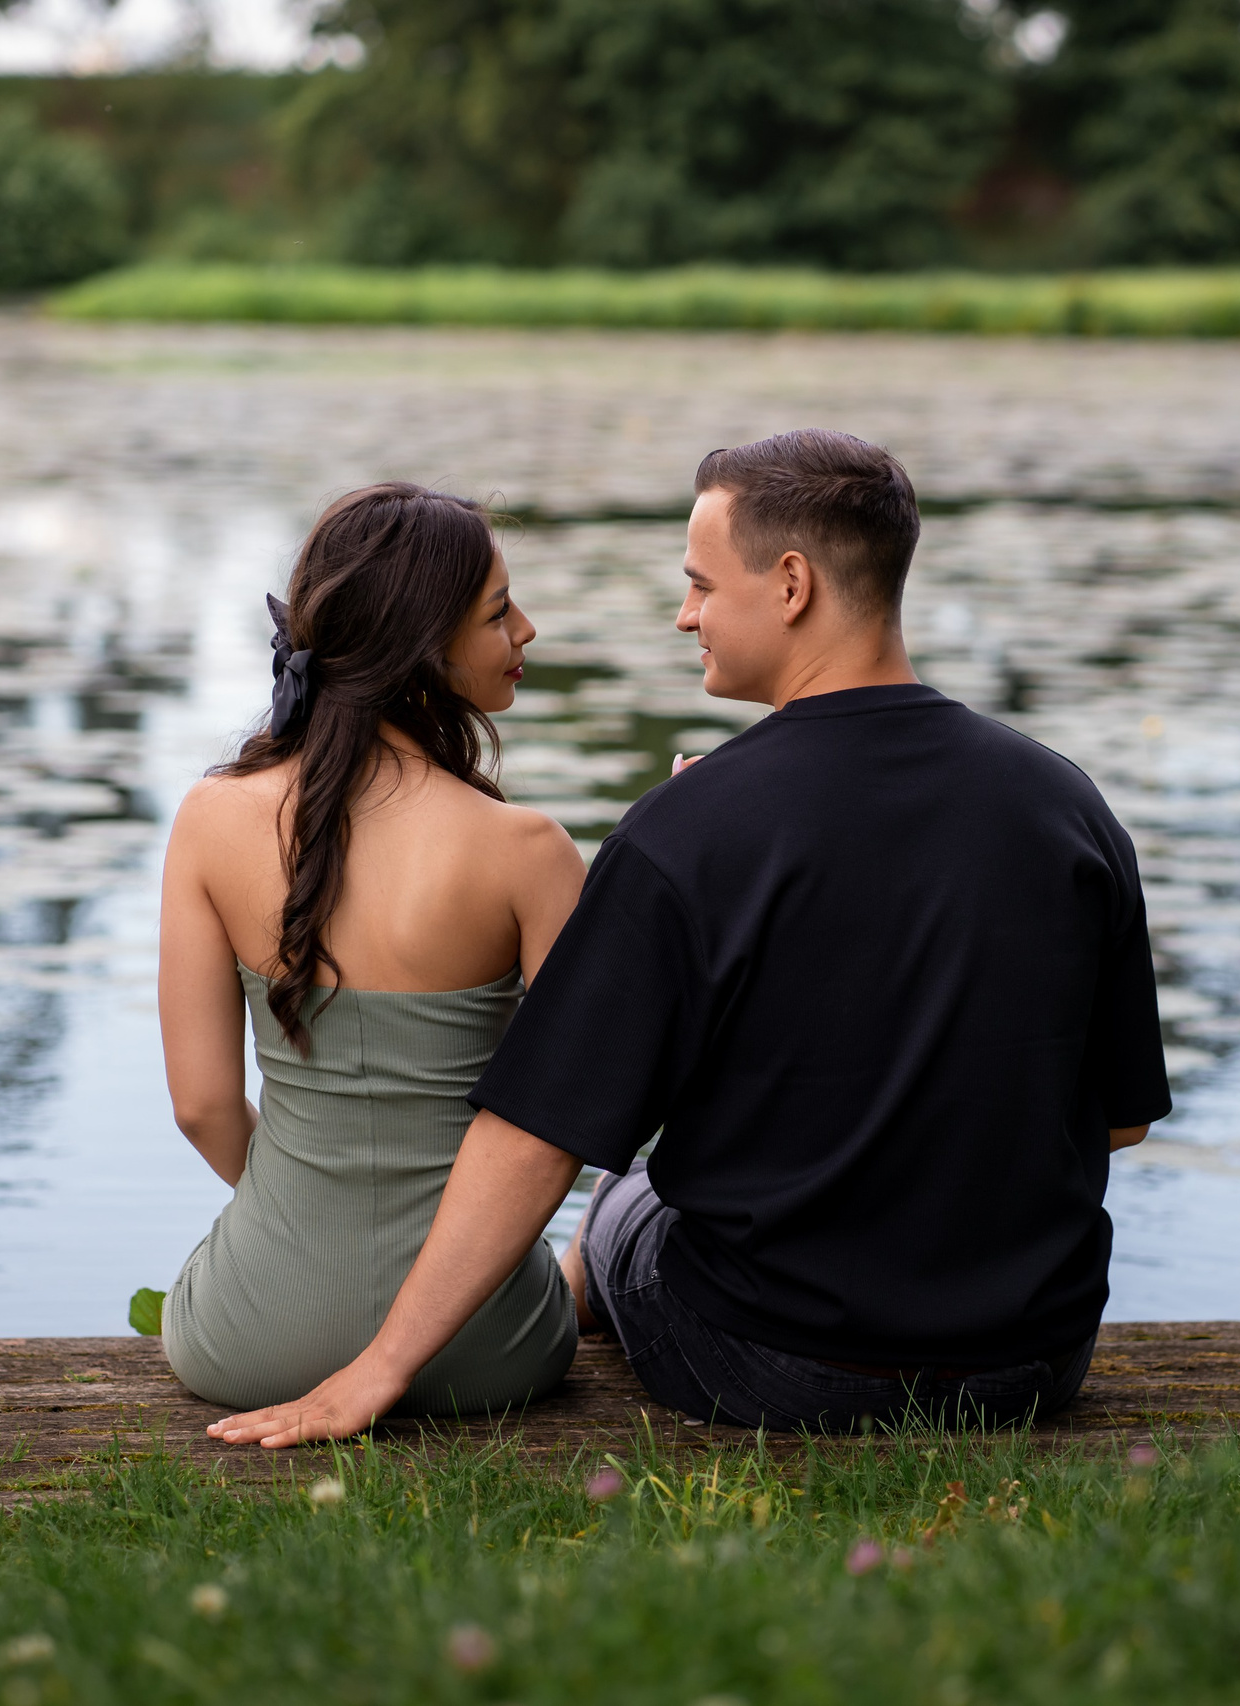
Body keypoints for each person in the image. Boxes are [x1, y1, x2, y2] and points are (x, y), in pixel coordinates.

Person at [207, 430, 1168, 1446]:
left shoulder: (689, 830)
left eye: (702, 583)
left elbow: (538, 1134)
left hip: (775, 1360)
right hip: (1031, 1359)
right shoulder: (1065, 802)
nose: (685, 614)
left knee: (629, 1193)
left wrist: (375, 1371)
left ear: (790, 582)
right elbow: (1116, 1123)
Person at [156, 481, 584, 1415]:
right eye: (499, 612)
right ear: (424, 646)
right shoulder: (530, 855)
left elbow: (201, 1106)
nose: (528, 631)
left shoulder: (207, 819)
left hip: (251, 1335)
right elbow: (566, 1122)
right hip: (488, 1348)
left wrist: (301, 1225)